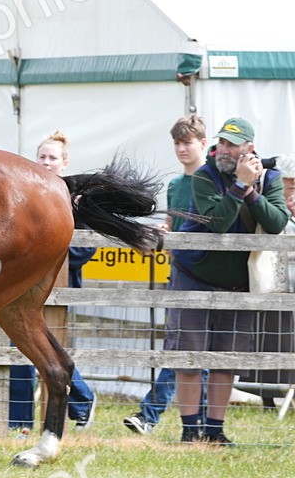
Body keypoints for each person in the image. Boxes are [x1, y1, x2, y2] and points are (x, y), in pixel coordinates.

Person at [169, 117, 290, 444]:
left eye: (232, 145)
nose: (223, 149)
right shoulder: (204, 175)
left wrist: (249, 190)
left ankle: (214, 431)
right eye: (221, 142)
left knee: (226, 359)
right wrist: (240, 185)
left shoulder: (271, 178)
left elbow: (278, 222)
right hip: (193, 274)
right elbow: (218, 223)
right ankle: (189, 431)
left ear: (248, 149)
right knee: (188, 356)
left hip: (239, 282)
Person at [124, 115, 210, 435]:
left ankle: (152, 414)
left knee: (187, 348)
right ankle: (194, 423)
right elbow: (175, 226)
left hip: (208, 275)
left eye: (187, 142)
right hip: (180, 272)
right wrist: (166, 231)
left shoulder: (212, 182)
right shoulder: (175, 185)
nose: (181, 148)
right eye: (176, 143)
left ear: (202, 143)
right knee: (181, 346)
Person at [8, 131, 98, 432]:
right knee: (19, 345)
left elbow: (85, 248)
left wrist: (40, 255)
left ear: (64, 163)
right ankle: (19, 423)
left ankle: (83, 399)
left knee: (49, 347)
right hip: (21, 284)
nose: (46, 162)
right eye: (42, 156)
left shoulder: (73, 198)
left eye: (52, 158)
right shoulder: (24, 192)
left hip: (58, 286)